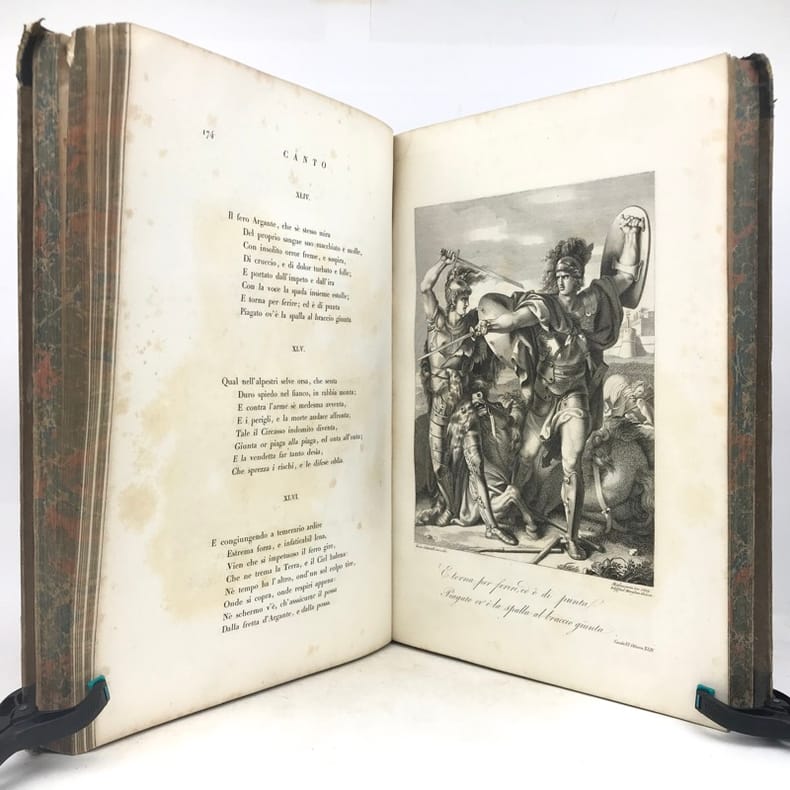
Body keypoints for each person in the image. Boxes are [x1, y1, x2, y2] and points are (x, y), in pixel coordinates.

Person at [475, 218, 643, 559]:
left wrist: (632, 233)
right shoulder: (544, 305)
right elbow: (511, 321)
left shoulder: (594, 299)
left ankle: (571, 536)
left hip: (575, 395)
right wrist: (489, 325)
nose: (565, 279)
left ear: (580, 277)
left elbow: (626, 276)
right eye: (561, 274)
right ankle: (518, 508)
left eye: (571, 274)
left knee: (571, 463)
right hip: (544, 396)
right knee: (526, 456)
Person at [418, 251, 494, 525]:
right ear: (452, 299)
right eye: (462, 299)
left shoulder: (470, 328)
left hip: (461, 404)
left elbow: (488, 327)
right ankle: (449, 508)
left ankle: (491, 524)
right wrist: (443, 263)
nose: (466, 304)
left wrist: (481, 333)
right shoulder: (436, 321)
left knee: (476, 463)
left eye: (467, 300)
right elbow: (425, 286)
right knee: (440, 466)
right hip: (440, 406)